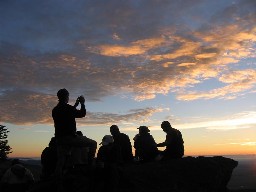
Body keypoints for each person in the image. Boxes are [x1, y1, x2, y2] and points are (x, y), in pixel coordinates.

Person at [52, 88, 97, 173]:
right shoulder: (68, 108)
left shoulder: (55, 110)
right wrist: (82, 103)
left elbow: (67, 113)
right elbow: (82, 114)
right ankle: (89, 165)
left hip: (59, 139)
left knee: (60, 163)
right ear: (66, 97)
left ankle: (56, 180)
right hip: (70, 138)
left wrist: (76, 105)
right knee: (93, 143)